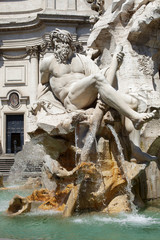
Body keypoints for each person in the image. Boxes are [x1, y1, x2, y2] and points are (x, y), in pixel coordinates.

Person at [40, 28, 156, 130]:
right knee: (97, 79)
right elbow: (43, 85)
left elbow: (102, 77)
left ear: (69, 43)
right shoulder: (48, 62)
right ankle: (134, 117)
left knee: (132, 102)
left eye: (61, 42)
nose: (57, 45)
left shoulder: (82, 60)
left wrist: (115, 65)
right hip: (71, 100)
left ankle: (133, 148)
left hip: (89, 97)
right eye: (55, 43)